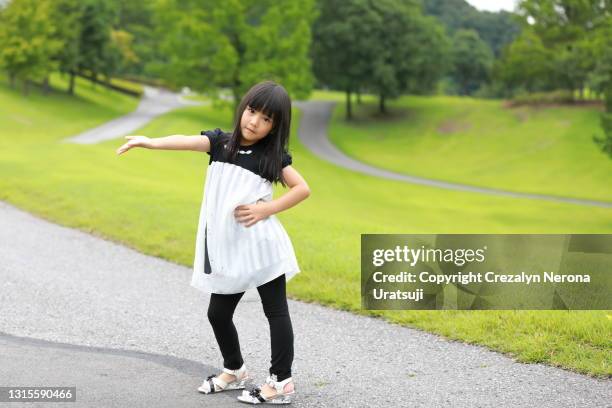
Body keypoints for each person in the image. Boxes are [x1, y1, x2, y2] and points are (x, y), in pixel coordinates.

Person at [116, 80, 311, 405]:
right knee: (218, 314)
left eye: (265, 119)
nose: (254, 122)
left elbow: (302, 188)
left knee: (275, 312)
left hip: (261, 248)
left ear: (275, 126)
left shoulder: (270, 157)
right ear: (243, 108)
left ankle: (281, 382)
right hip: (229, 249)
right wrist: (149, 142)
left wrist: (266, 209)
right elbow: (185, 141)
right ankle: (234, 370)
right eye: (252, 112)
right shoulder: (221, 143)